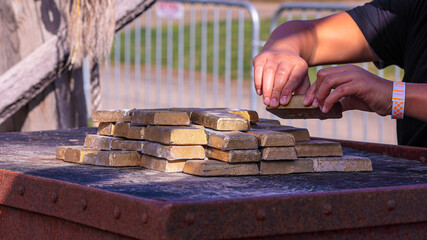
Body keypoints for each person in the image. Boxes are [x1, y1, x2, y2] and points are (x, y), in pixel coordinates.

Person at [253, 0, 427, 147]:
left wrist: (394, 97)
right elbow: (310, 35)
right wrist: (283, 49)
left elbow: (394, 98)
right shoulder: (416, 8)